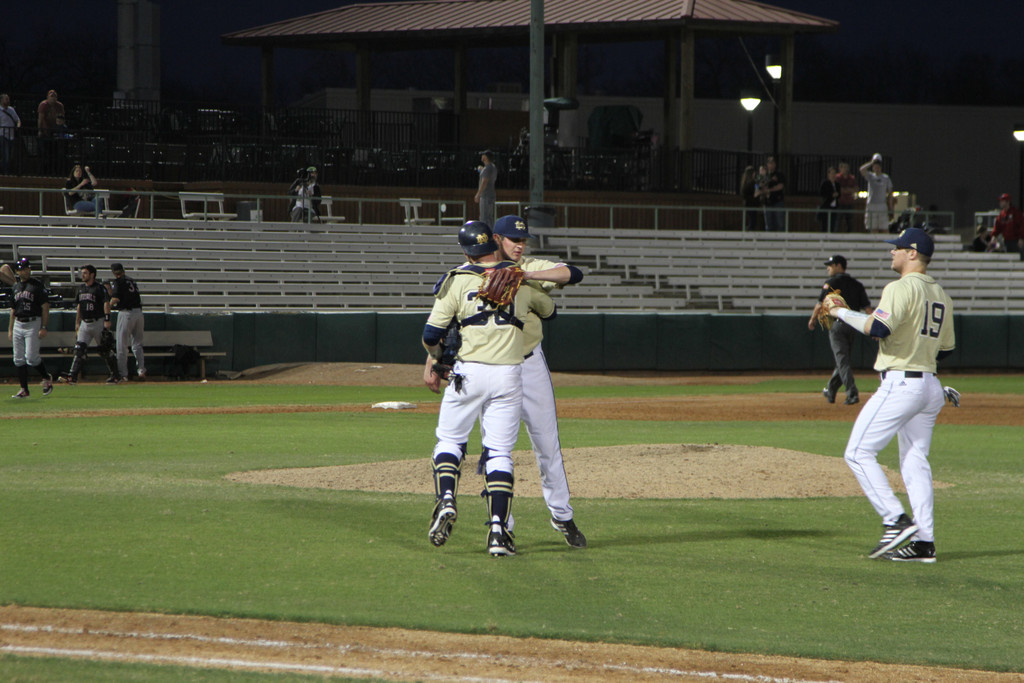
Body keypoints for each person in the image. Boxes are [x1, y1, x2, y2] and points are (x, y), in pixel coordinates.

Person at [422, 221, 555, 557]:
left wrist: (437, 360)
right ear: (493, 246)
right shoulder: (516, 279)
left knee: (450, 441)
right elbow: (549, 311)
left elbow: (430, 336)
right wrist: (524, 285)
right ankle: (499, 533)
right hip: (509, 375)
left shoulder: (456, 280)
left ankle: (447, 499)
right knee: (499, 453)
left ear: (466, 250)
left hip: (469, 372)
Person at [825, 227, 955, 563]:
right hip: (929, 386)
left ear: (912, 253)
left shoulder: (900, 287)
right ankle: (924, 543)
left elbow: (877, 329)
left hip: (902, 383)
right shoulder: (941, 293)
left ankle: (895, 520)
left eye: (897, 248)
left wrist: (839, 312)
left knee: (857, 452)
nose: (891, 252)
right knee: (915, 463)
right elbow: (946, 350)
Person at [489, 214, 587, 548]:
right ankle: (501, 525)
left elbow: (573, 273)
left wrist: (526, 275)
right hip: (492, 369)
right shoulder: (478, 270)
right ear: (497, 239)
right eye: (513, 240)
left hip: (530, 363)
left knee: (548, 444)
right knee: (497, 449)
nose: (519, 245)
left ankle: (562, 516)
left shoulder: (530, 266)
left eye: (523, 240)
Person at [807, 255, 872, 405]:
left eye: (830, 265)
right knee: (843, 360)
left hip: (838, 325)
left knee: (842, 360)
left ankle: (852, 393)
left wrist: (812, 319)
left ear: (839, 266)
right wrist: (874, 325)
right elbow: (868, 309)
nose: (828, 268)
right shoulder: (857, 284)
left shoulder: (831, 282)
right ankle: (830, 389)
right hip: (854, 325)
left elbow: (819, 304)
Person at [57, 265, 121, 386]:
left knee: (105, 350)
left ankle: (116, 375)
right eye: (83, 273)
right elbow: (79, 306)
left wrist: (107, 319)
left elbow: (106, 303)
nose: (83, 275)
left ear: (92, 274)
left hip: (98, 322)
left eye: (85, 273)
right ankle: (73, 376)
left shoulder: (99, 288)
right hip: (85, 323)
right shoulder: (81, 289)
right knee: (79, 349)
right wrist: (77, 322)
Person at [7, 258, 55, 399]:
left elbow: (45, 307)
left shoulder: (37, 285)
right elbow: (12, 310)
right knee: (18, 359)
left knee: (32, 357)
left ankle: (46, 377)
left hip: (33, 322)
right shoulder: (15, 287)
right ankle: (24, 389)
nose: (26, 271)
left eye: (27, 268)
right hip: (18, 323)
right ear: (17, 271)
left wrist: (44, 326)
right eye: (22, 268)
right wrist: (10, 329)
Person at [106, 262, 146, 381]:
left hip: (126, 313)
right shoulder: (131, 280)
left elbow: (116, 298)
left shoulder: (118, 282)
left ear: (114, 272)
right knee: (137, 344)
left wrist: (108, 304)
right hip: (139, 313)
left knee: (122, 345)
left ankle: (123, 374)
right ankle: (141, 371)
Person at [859, 154, 894, 234]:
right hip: (871, 205)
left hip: (882, 205)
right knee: (873, 227)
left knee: (884, 227)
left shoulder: (886, 178)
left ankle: (886, 245)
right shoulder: (870, 176)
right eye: (875, 166)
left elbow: (890, 193)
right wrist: (871, 162)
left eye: (878, 166)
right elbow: (861, 170)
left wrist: (891, 206)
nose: (877, 168)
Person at [985, 193, 1024, 257]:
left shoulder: (1015, 212)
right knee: (1008, 258)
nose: (1000, 202)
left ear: (1008, 202)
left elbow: (1022, 225)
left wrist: (1021, 238)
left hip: (1016, 241)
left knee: (1019, 258)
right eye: (1000, 201)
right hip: (1006, 241)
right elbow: (997, 227)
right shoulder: (1001, 215)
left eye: (1002, 201)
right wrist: (994, 236)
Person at [37, 89, 65, 175]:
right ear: (47, 97)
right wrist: (40, 130)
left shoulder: (59, 105)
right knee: (45, 154)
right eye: (51, 96)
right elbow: (40, 118)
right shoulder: (43, 105)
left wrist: (62, 130)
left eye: (55, 96)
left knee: (56, 154)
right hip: (46, 132)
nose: (53, 98)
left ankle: (56, 172)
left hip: (56, 132)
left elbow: (62, 118)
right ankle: (44, 173)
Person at [759, 156, 786, 231]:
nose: (771, 165)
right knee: (768, 225)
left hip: (778, 202)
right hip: (767, 203)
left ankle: (780, 241)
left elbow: (781, 186)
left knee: (780, 224)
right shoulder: (765, 175)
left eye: (773, 163)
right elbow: (759, 185)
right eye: (769, 163)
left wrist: (769, 190)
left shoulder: (779, 174)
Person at [474, 150, 497, 226]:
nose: (482, 157)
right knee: (489, 217)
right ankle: (491, 233)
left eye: (483, 155)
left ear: (486, 157)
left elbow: (484, 182)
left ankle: (486, 234)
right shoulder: (492, 167)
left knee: (484, 217)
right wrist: (482, 170)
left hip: (485, 195)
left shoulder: (487, 169)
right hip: (491, 195)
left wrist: (478, 194)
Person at [834, 162, 859, 233]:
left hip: (849, 203)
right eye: (843, 167)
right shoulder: (837, 178)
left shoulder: (852, 178)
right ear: (840, 168)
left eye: (846, 167)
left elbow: (856, 189)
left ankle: (850, 239)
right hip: (840, 203)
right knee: (837, 222)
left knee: (850, 223)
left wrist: (846, 190)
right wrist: (849, 190)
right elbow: (839, 189)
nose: (845, 169)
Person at [0, 93, 21, 175]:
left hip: (11, 135)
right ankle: (5, 172)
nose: (8, 100)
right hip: (2, 134)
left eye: (8, 99)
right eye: (6, 99)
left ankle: (5, 169)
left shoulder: (11, 109)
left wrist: (18, 126)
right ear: (1, 100)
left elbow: (17, 120)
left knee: (11, 155)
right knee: (6, 154)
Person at [817, 166, 840, 233]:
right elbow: (822, 193)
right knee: (824, 225)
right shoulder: (825, 183)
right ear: (828, 174)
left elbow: (839, 194)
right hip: (826, 207)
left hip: (834, 207)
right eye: (832, 173)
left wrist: (837, 195)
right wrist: (831, 195)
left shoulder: (837, 184)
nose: (833, 175)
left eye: (834, 173)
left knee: (833, 225)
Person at [739, 166, 762, 231]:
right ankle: (748, 233)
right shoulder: (752, 183)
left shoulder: (744, 183)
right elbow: (756, 193)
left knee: (752, 220)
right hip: (752, 204)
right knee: (753, 222)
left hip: (747, 204)